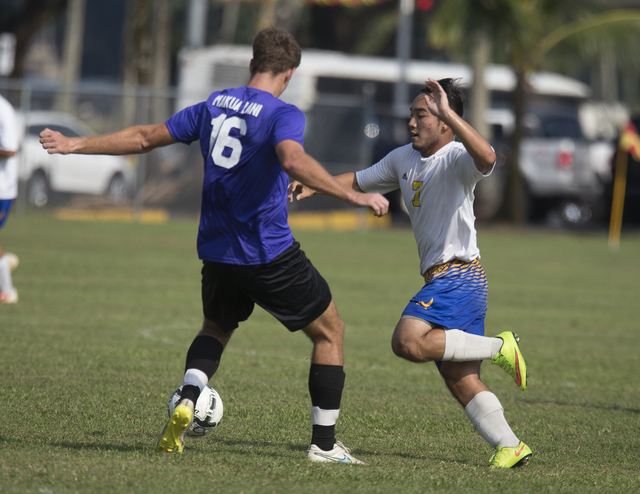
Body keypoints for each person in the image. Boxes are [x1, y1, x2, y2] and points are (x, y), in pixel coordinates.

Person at [40, 27, 388, 462]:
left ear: (251, 65)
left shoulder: (214, 105)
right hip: (267, 252)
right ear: (290, 73)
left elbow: (146, 137)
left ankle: (189, 395)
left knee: (216, 329)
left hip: (217, 252)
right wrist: (353, 195)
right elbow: (292, 159)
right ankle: (323, 444)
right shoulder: (283, 113)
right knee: (330, 331)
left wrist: (75, 143)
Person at [289, 78, 532, 469]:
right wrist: (316, 188)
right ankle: (511, 444)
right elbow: (359, 179)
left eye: (422, 115)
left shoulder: (456, 157)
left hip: (460, 276)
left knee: (406, 341)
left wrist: (448, 110)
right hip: (447, 279)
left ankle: (500, 347)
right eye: (412, 115)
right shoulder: (403, 158)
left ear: (445, 122)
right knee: (459, 378)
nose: (412, 123)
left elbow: (487, 157)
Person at [0, 93, 20, 304]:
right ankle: (3, 262)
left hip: (2, 188)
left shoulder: (2, 109)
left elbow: (11, 150)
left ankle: (8, 291)